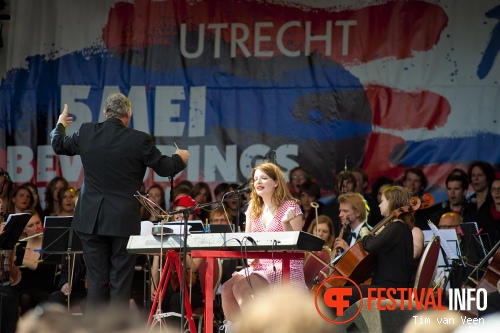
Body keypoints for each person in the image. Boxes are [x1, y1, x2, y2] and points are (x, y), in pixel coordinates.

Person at [50, 93, 189, 310]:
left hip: (90, 220)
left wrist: (60, 123)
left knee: (96, 281)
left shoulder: (86, 132)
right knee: (120, 282)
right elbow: (165, 167)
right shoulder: (139, 139)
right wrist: (180, 158)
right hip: (122, 220)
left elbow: (58, 144)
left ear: (105, 114)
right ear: (128, 115)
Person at [220, 162, 305, 332]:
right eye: (255, 178)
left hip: (284, 265)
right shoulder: (253, 208)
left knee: (240, 287)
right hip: (259, 266)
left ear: (276, 182)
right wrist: (250, 255)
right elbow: (247, 242)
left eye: (264, 178)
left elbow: (295, 247)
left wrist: (285, 223)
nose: (258, 181)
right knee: (227, 288)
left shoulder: (291, 207)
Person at [325, 186, 414, 310]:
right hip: (390, 287)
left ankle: (340, 328)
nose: (379, 205)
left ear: (392, 202)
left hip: (390, 289)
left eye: (382, 201)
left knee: (332, 294)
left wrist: (365, 233)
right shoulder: (398, 228)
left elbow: (370, 246)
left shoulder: (396, 226)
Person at [332, 192, 370, 256]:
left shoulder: (370, 233)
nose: (340, 215)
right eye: (340, 211)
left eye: (345, 211)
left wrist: (347, 249)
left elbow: (367, 262)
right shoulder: (348, 238)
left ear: (357, 212)